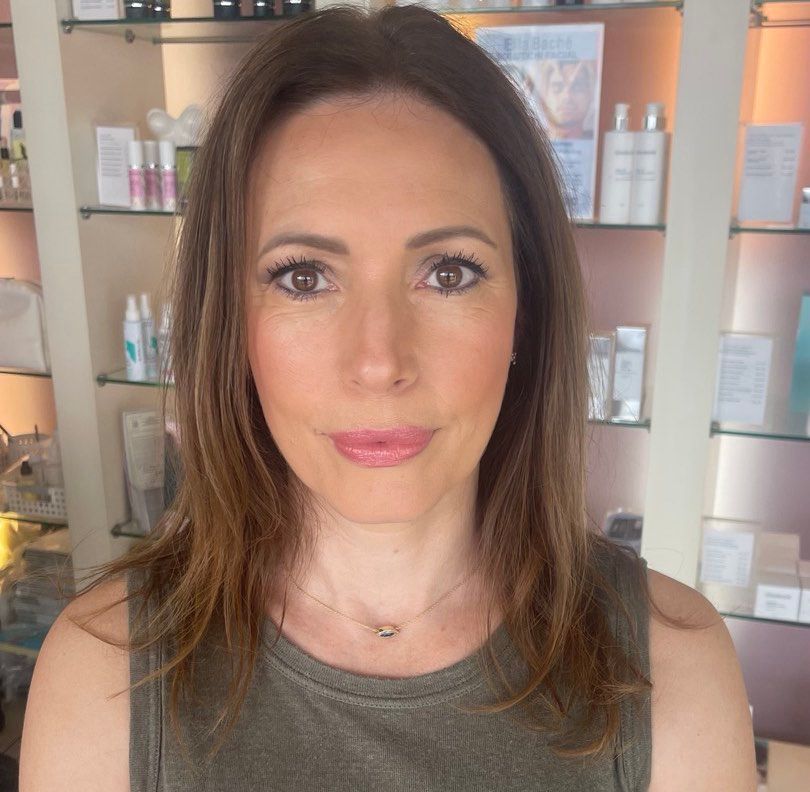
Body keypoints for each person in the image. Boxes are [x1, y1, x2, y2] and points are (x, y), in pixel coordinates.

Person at [21, 5, 756, 790]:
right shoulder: (106, 671)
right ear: (229, 321)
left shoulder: (672, 668)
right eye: (303, 277)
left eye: (449, 273)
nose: (379, 362)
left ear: (526, 311)